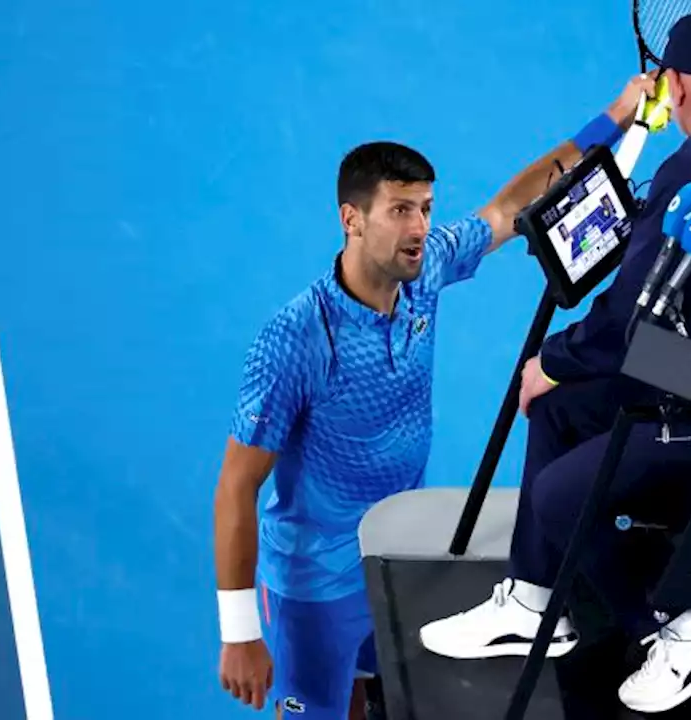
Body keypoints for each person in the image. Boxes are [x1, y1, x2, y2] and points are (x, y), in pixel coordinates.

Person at [418, 7, 691, 714]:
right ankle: (535, 602)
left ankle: (686, 628)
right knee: (566, 409)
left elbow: (628, 323)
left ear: (676, 90)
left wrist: (552, 361)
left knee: (565, 476)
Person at [212, 73, 657, 720]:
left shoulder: (425, 273)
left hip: (392, 552)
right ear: (351, 219)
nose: (420, 227)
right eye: (400, 211)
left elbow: (512, 207)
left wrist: (615, 118)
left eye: (424, 208)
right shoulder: (297, 338)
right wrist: (238, 631)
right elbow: (235, 487)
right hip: (316, 591)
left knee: (383, 688)